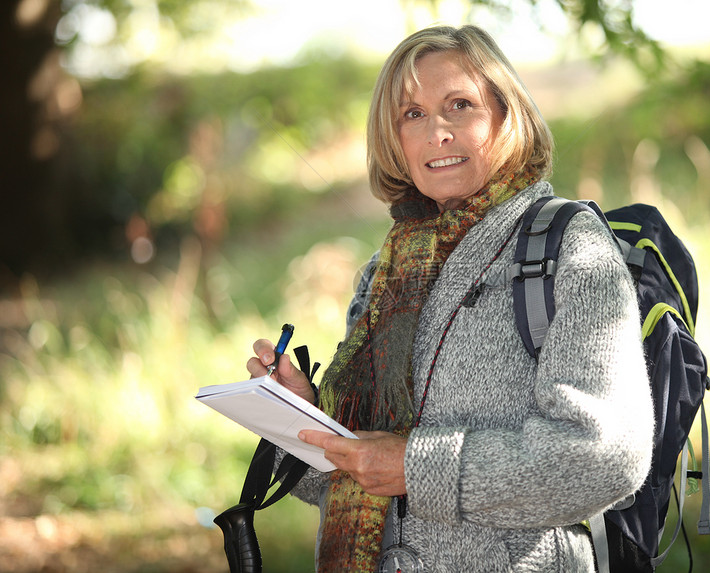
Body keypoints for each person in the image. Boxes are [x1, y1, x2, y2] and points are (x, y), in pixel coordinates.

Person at [246, 24, 654, 573]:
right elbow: (342, 480)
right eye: (412, 114)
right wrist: (302, 413)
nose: (437, 131)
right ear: (395, 140)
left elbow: (605, 458)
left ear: (507, 117)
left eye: (459, 104)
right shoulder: (387, 272)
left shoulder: (568, 246)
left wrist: (416, 469)